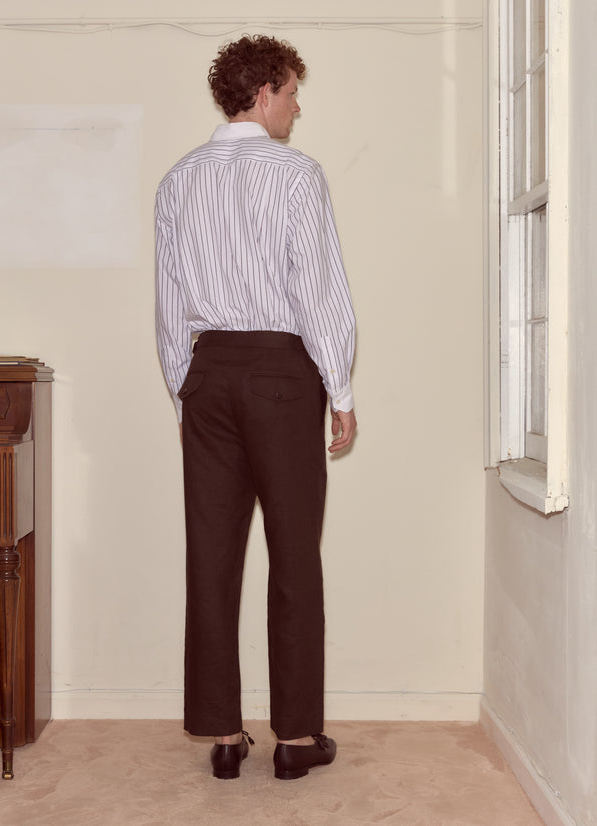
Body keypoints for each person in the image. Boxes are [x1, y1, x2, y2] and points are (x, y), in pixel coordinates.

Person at [155, 34, 357, 781]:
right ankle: (298, 738)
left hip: (208, 372)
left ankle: (223, 732)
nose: (298, 108)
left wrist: (188, 387)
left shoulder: (178, 181)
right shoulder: (297, 175)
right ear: (266, 91)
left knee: (211, 556)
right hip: (281, 370)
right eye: (295, 93)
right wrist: (340, 389)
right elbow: (320, 291)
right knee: (295, 555)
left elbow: (170, 306)